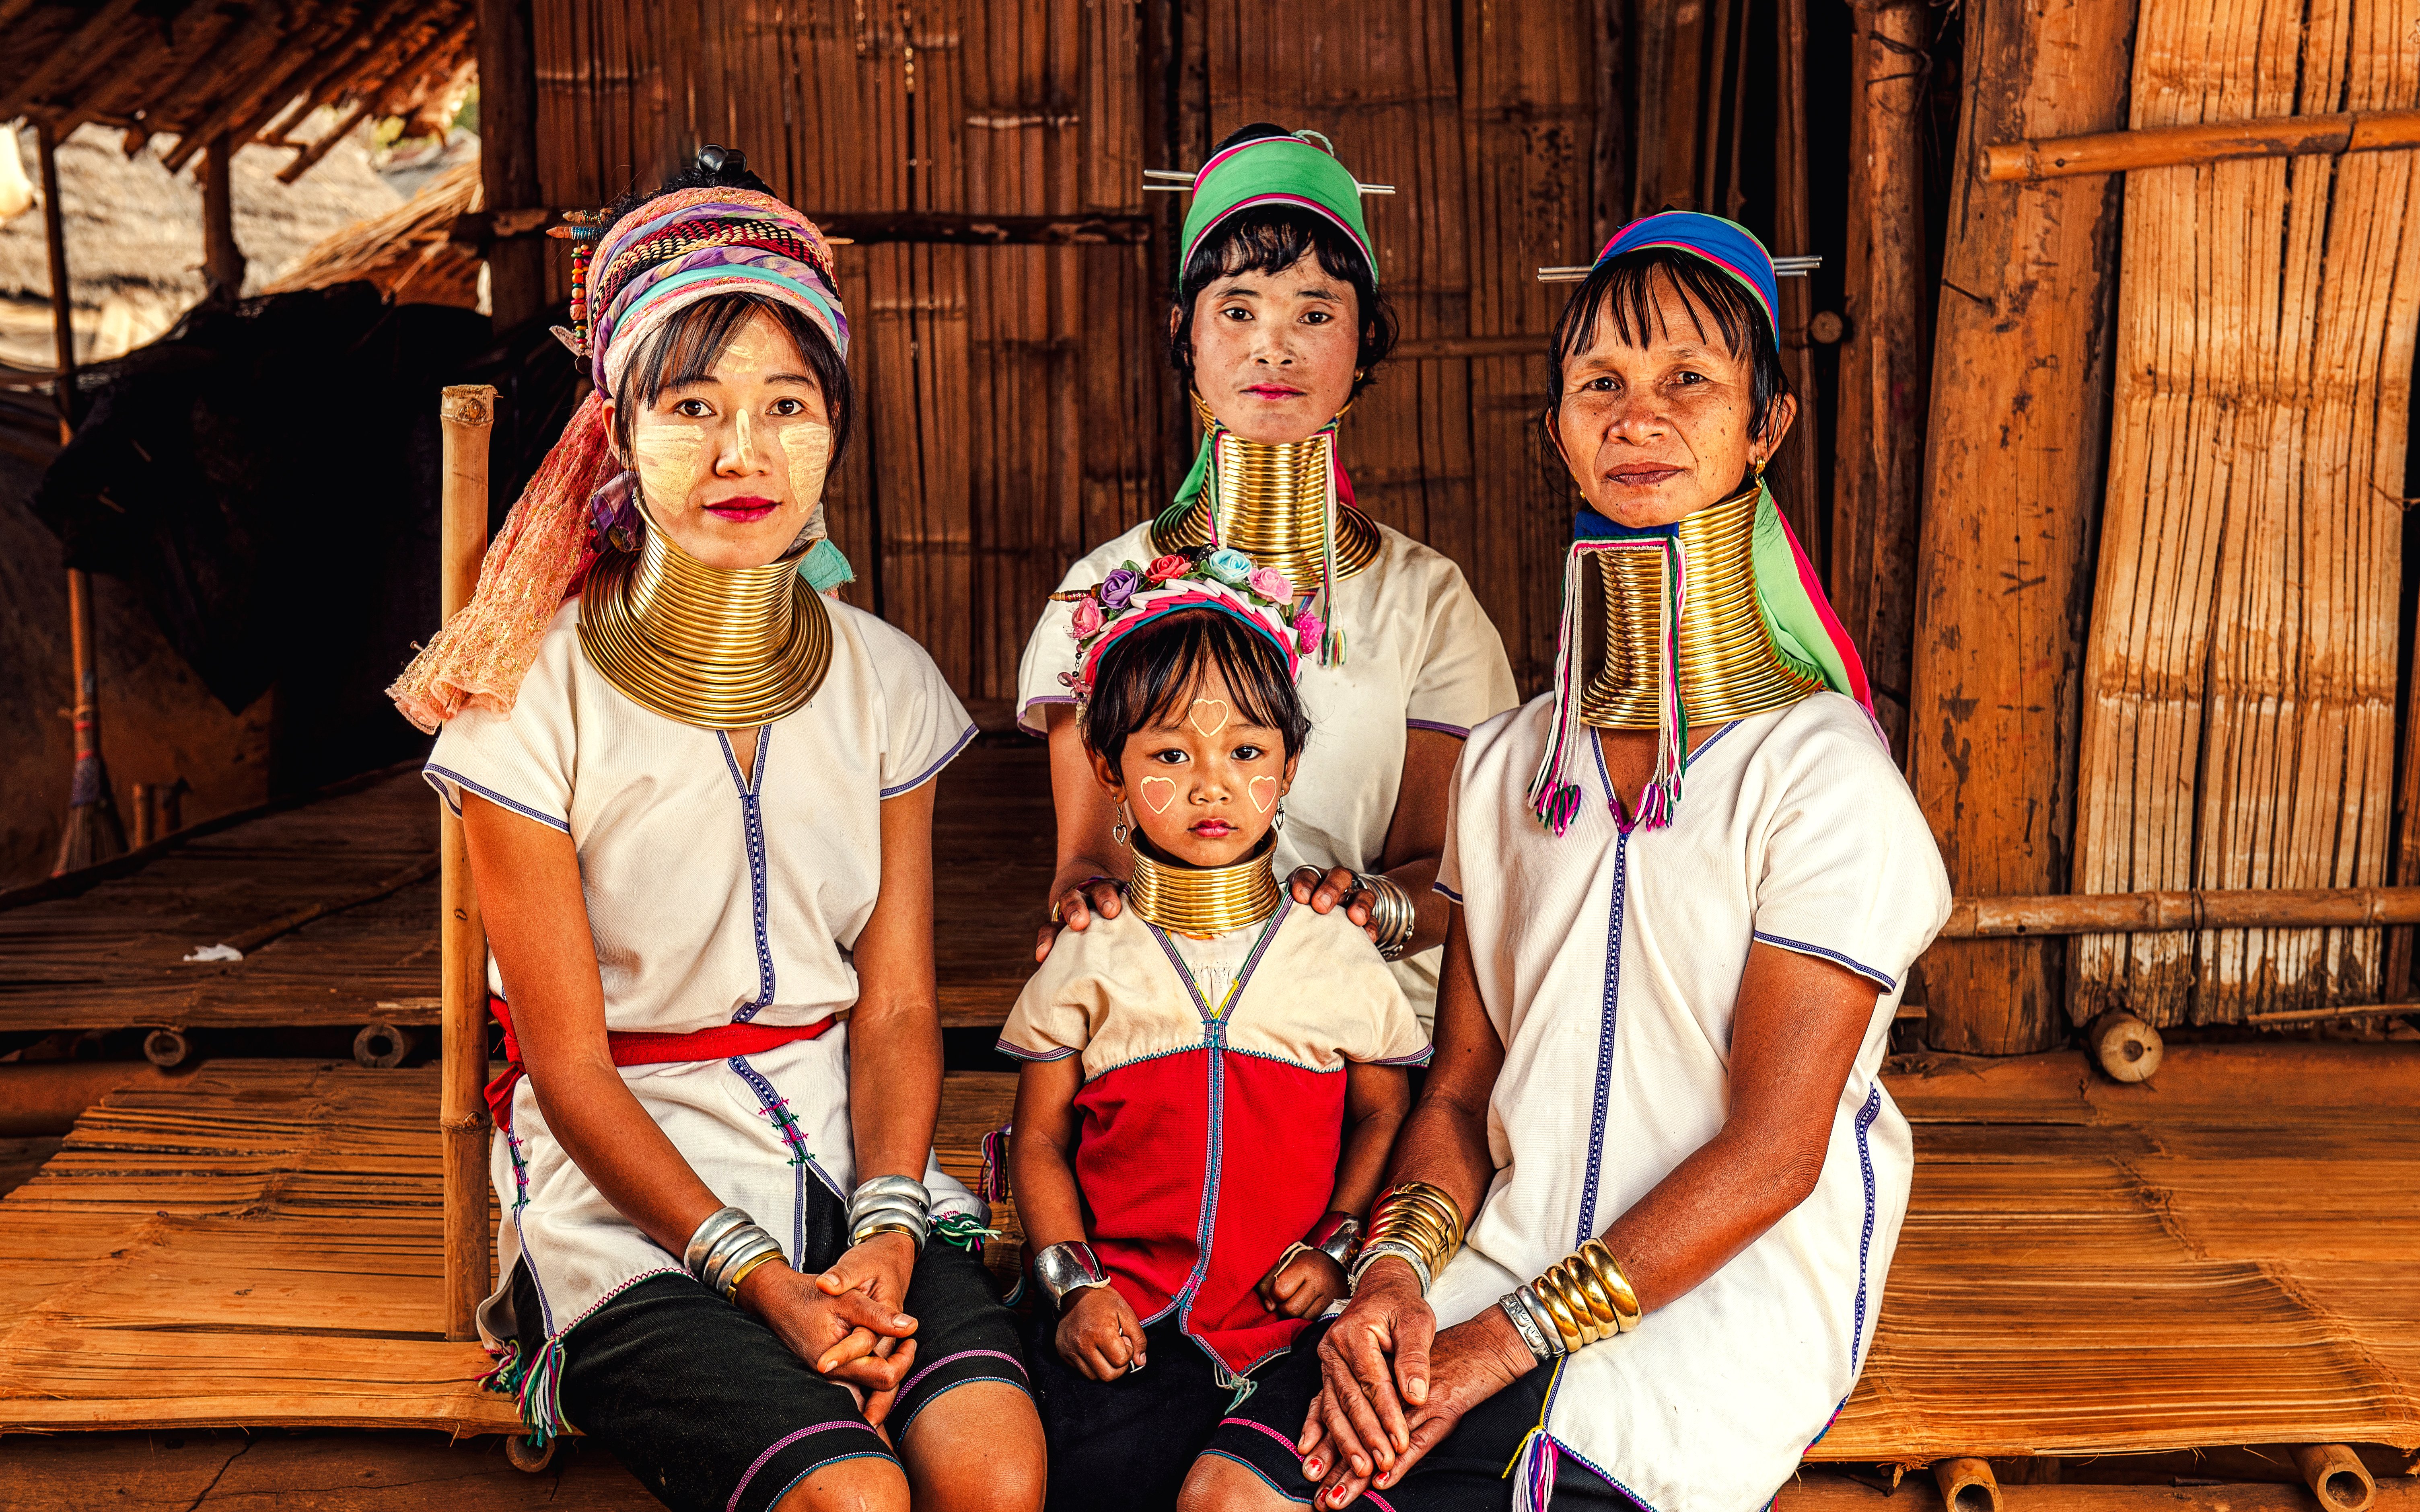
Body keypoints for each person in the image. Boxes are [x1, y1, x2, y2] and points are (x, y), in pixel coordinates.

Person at [1179, 213, 1954, 1512]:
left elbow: (1774, 1155)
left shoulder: (1819, 777)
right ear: (1556, 427)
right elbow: (1463, 1088)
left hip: (1715, 1300)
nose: (1636, 417)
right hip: (1486, 1257)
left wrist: (1496, 1346)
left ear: (1765, 426)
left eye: (1687, 384)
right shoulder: (1506, 767)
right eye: (1600, 384)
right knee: (1229, 1496)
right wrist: (1393, 1280)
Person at [389, 148, 1044, 1512]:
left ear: (836, 430)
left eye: (787, 406)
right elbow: (566, 1064)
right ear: (618, 430)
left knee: (995, 1475)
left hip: (854, 1152)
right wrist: (763, 1281)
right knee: (849, 1498)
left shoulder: (883, 681)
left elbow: (900, 1003)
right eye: (692, 406)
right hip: (629, 1191)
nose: (744, 452)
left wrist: (880, 1225)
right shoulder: (533, 705)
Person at [1017, 123, 1519, 1027]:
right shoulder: (1101, 591)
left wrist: (1356, 910)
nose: (1272, 348)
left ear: (1363, 348)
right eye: (1238, 309)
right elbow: (1087, 862)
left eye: (1314, 314)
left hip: (1365, 1029)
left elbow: (1437, 874)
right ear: (1185, 336)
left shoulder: (1429, 602)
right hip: (1155, 1022)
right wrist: (1085, 907)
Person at [998, 548, 1428, 1512]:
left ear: (1291, 763)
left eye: (1246, 752)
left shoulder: (1334, 944)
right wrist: (1070, 1286)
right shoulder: (1091, 947)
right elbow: (1039, 1138)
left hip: (1287, 1331)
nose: (1210, 786)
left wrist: (1337, 1243)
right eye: (1167, 755)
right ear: (1107, 769)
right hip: (1124, 1318)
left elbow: (1381, 1116)